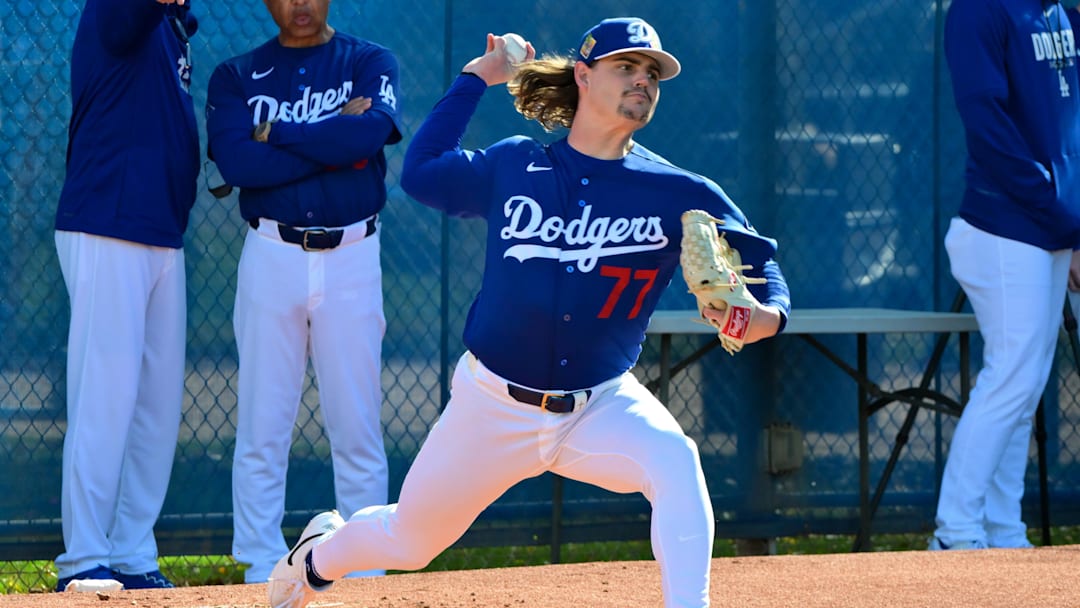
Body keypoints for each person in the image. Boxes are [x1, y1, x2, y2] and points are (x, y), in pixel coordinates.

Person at [265, 17, 790, 608]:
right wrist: (475, 78)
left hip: (599, 403)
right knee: (408, 542)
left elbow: (762, 263)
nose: (642, 80)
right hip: (492, 405)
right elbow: (422, 171)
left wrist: (766, 315)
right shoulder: (515, 165)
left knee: (676, 462)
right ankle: (314, 560)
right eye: (626, 67)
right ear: (584, 77)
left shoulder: (679, 191)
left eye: (651, 73)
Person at [204, 0, 402, 584]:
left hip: (352, 255)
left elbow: (367, 135)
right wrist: (332, 138)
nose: (300, 5)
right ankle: (261, 563)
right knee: (264, 422)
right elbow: (239, 161)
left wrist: (279, 135)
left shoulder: (369, 60)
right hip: (271, 252)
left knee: (357, 422)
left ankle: (364, 565)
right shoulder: (236, 75)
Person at [52, 0, 199, 592]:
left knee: (156, 410)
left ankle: (133, 552)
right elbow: (120, 21)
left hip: (162, 231)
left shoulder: (171, 25)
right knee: (105, 399)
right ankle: (85, 557)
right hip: (107, 219)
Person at [931, 0, 1080, 551]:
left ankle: (1001, 528)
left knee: (1026, 386)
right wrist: (1057, 210)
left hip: (1051, 229)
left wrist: (1073, 231)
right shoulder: (979, 10)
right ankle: (956, 532)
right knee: (1011, 380)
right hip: (1001, 228)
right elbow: (986, 120)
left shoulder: (1060, 12)